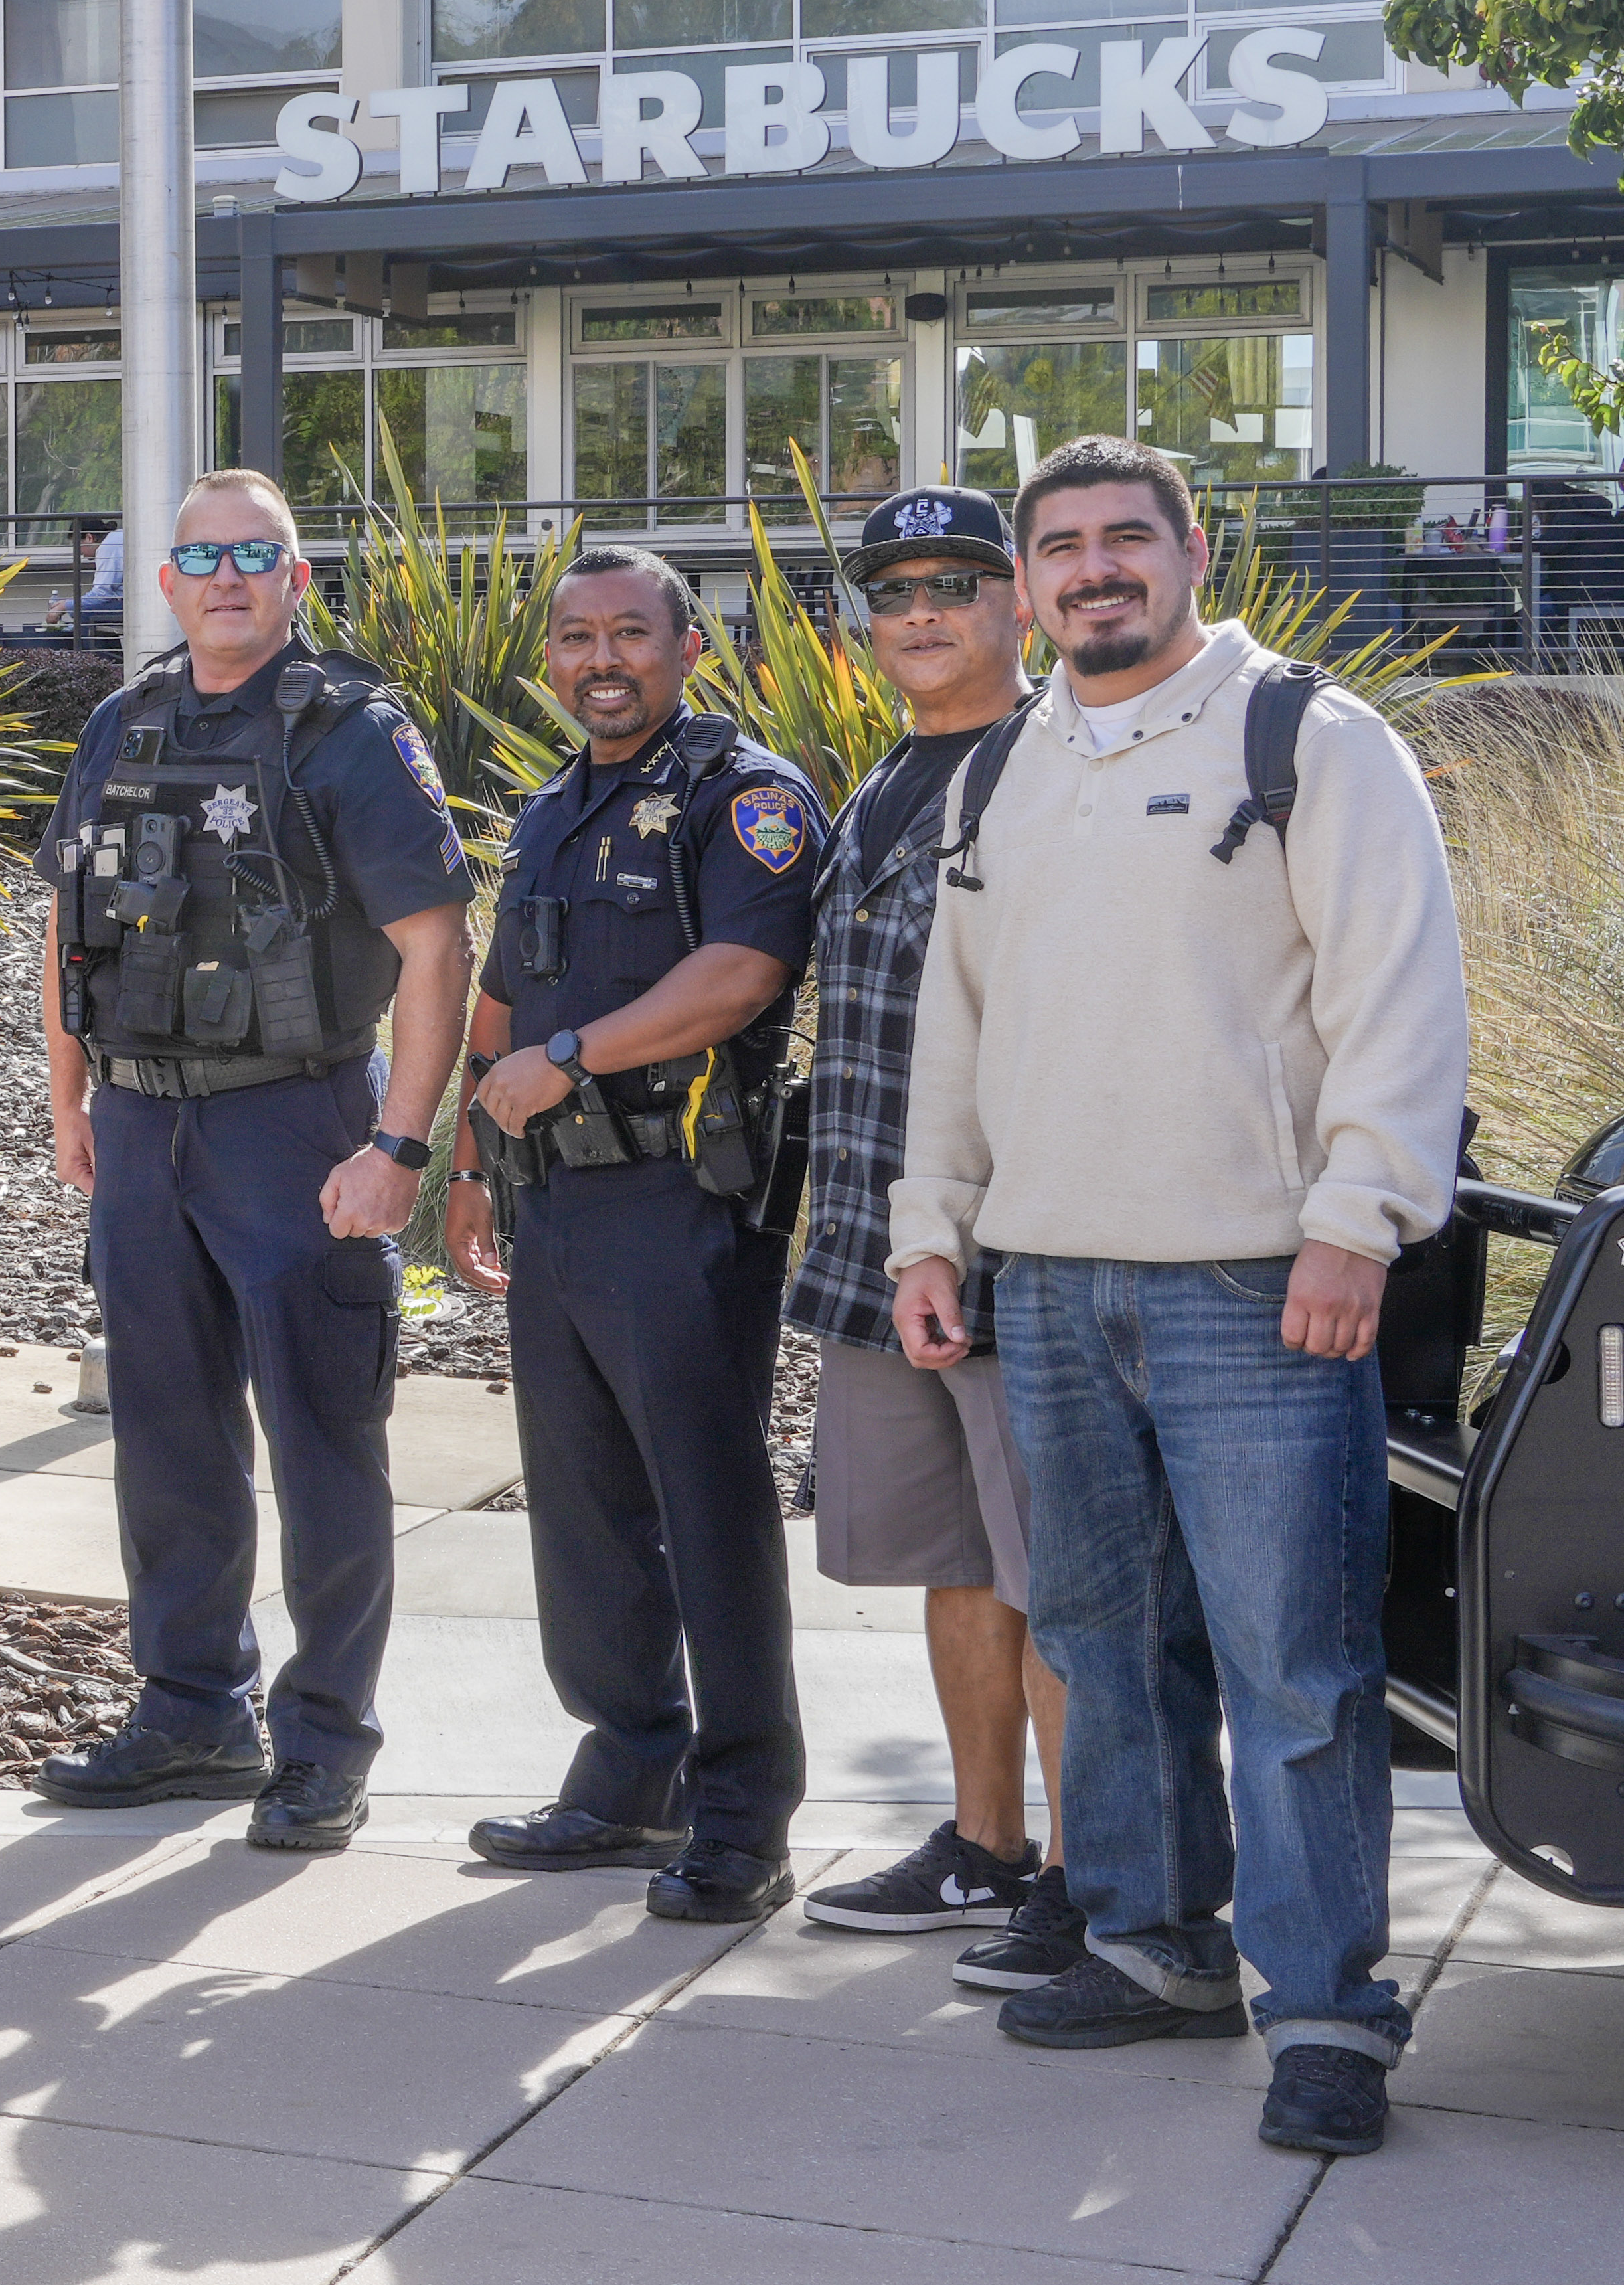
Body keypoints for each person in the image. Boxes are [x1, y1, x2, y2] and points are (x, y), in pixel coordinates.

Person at [892, 433, 1467, 2159]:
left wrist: (1354, 1221)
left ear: (1190, 548)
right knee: (1107, 1643)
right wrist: (933, 1223)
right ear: (1027, 580)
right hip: (1053, 1274)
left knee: (1293, 1663)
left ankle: (1323, 2011)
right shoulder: (1002, 770)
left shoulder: (1307, 736)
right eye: (1057, 545)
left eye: (1121, 537)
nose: (1090, 569)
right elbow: (954, 1022)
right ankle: (1151, 1942)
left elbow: (1398, 990)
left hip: (1252, 1282)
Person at [33, 473, 473, 1852]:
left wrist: (396, 1144)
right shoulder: (123, 718)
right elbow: (68, 919)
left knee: (320, 1434)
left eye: (252, 555)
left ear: (293, 578)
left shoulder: (349, 733)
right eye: (199, 556)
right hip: (140, 1123)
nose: (224, 577)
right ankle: (189, 1712)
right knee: (165, 1435)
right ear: (159, 580)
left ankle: (323, 1740)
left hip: (293, 1122)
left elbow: (430, 945)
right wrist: (67, 1103)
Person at [447, 553, 827, 1923]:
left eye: (625, 633)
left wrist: (567, 1055)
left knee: (703, 1511)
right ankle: (625, 1767)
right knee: (583, 1503)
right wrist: (470, 1161)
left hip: (679, 1204)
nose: (596, 657)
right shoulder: (554, 807)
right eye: (572, 637)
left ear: (686, 647)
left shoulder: (748, 798)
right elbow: (500, 989)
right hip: (550, 1202)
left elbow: (738, 977)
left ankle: (739, 1817)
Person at [782, 488, 1074, 1983]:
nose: (917, 610)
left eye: (954, 581)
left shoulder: (1058, 765)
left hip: (1009, 1250)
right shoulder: (881, 782)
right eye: (890, 586)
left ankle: (1097, 1878)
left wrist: (963, 1238)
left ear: (1015, 597)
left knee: (1063, 1567)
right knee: (956, 1559)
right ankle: (983, 1848)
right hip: (870, 1244)